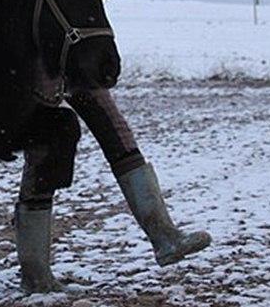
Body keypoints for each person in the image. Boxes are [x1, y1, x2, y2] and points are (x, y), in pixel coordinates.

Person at [14, 88, 212, 292]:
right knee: (49, 142)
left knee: (115, 132)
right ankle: (35, 276)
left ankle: (164, 236)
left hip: (73, 63)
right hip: (37, 65)